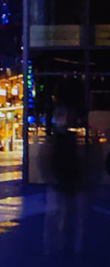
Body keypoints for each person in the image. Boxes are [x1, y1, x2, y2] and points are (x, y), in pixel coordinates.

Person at [43, 103, 88, 257]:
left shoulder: (57, 138)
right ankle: (69, 247)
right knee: (65, 214)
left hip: (63, 178)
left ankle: (56, 247)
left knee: (58, 214)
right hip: (66, 178)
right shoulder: (66, 138)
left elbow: (47, 158)